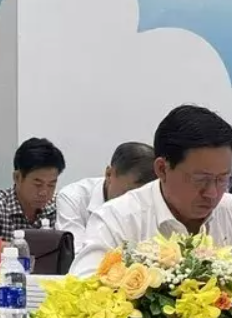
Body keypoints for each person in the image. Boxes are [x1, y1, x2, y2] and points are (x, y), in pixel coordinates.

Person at [70, 105, 232, 277]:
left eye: (222, 179)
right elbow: (83, 285)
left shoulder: (229, 211)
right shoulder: (116, 219)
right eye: (200, 179)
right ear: (162, 169)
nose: (212, 193)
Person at [56, 142, 155, 249]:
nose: (134, 202)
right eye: (130, 194)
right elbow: (74, 252)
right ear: (109, 174)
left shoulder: (152, 199)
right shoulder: (73, 197)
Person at [0, 137, 65, 241]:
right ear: (17, 177)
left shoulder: (59, 205)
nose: (44, 192)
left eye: (51, 184)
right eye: (38, 184)